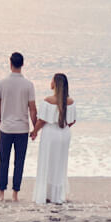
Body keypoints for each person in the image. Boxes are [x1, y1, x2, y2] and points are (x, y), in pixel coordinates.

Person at [0, 51, 37, 201]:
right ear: (22, 64)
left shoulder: (2, 83)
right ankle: (15, 194)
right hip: (22, 129)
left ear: (10, 63)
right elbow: (32, 108)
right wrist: (35, 128)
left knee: (3, 161)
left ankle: (1, 193)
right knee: (19, 162)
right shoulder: (29, 85)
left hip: (6, 128)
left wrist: (1, 122)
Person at [29, 72, 76, 204]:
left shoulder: (48, 101)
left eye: (51, 80)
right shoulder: (71, 102)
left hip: (50, 133)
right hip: (64, 133)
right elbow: (72, 121)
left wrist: (34, 132)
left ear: (54, 84)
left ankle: (46, 195)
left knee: (47, 163)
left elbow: (42, 120)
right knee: (60, 164)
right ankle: (57, 195)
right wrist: (63, 128)